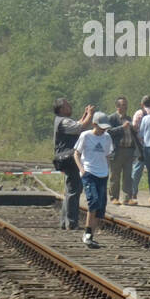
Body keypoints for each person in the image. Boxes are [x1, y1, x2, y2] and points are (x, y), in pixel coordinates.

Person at [73, 112, 116, 248]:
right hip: (89, 173)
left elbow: (108, 155)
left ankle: (91, 235)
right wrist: (82, 169)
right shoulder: (85, 136)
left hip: (103, 174)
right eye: (101, 127)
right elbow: (76, 153)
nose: (103, 130)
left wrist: (108, 171)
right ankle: (87, 233)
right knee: (93, 202)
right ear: (94, 125)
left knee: (100, 207)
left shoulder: (107, 137)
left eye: (105, 128)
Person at [52, 98, 93, 230]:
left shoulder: (62, 121)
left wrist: (85, 115)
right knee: (74, 190)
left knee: (71, 190)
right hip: (69, 158)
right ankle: (71, 222)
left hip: (65, 158)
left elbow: (77, 123)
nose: (70, 106)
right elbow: (81, 127)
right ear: (62, 109)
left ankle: (65, 222)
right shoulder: (64, 121)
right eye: (67, 105)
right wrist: (90, 115)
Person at [106, 96, 137, 205]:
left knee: (128, 175)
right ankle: (114, 197)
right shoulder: (112, 118)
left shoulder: (129, 118)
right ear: (117, 106)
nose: (125, 107)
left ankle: (127, 198)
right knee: (115, 175)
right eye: (123, 104)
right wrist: (122, 127)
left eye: (126, 104)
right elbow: (108, 132)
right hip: (117, 150)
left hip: (129, 150)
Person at [128, 95, 150, 203]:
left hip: (139, 145)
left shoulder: (139, 113)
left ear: (142, 104)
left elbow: (134, 127)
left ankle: (133, 193)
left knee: (137, 169)